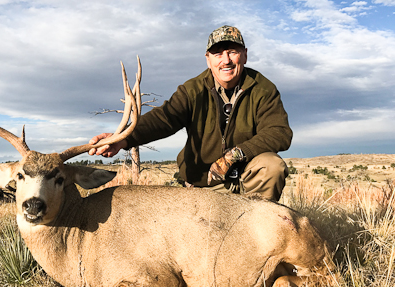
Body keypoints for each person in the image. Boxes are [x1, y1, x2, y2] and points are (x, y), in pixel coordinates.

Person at [89, 25, 292, 201]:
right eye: (218, 54)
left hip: (244, 182)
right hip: (203, 186)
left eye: (232, 52)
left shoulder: (263, 89)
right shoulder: (192, 90)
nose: (226, 60)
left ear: (245, 55)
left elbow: (279, 132)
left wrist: (236, 155)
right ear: (208, 59)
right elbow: (164, 118)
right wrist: (122, 139)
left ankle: (257, 234)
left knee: (272, 167)